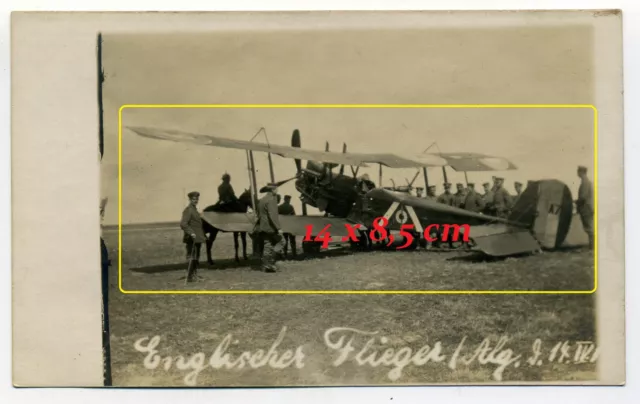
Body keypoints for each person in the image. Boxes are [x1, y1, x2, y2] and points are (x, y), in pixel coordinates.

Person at [254, 184, 284, 272]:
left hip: (263, 227)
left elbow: (259, 214)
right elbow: (272, 215)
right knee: (281, 242)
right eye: (276, 189)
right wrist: (278, 228)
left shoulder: (262, 200)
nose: (277, 191)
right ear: (273, 190)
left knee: (267, 244)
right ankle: (270, 261)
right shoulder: (271, 200)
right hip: (270, 227)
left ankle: (265, 265)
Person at [180, 191, 207, 282]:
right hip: (191, 238)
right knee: (192, 257)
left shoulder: (194, 210)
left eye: (197, 199)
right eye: (194, 199)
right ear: (190, 199)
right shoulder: (188, 210)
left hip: (198, 238)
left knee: (196, 257)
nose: (196, 201)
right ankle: (189, 276)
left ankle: (195, 275)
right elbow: (183, 224)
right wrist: (191, 233)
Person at [575, 165, 594, 249]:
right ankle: (592, 246)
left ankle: (592, 246)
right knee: (589, 227)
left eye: (578, 171)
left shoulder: (585, 182)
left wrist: (575, 201)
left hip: (586, 208)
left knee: (589, 228)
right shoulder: (586, 182)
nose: (577, 173)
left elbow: (583, 197)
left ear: (581, 172)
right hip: (588, 208)